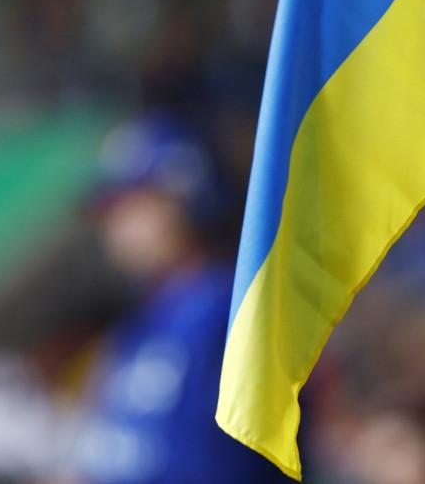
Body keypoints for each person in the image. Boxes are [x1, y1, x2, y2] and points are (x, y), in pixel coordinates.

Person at [66, 113, 283, 484]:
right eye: (110, 212)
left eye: (130, 206)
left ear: (182, 197)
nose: (115, 227)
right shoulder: (135, 325)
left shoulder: (230, 310)